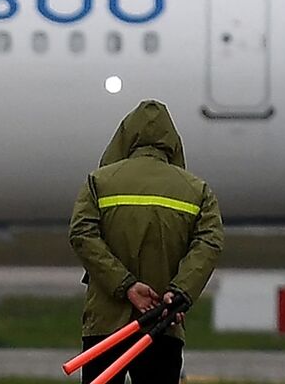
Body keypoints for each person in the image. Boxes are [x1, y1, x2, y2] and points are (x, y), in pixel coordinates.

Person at [69, 100, 223, 384]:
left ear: (125, 137)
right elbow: (210, 242)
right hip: (163, 323)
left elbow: (81, 234)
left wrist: (126, 286)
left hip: (106, 326)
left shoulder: (99, 182)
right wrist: (178, 294)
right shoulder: (196, 190)